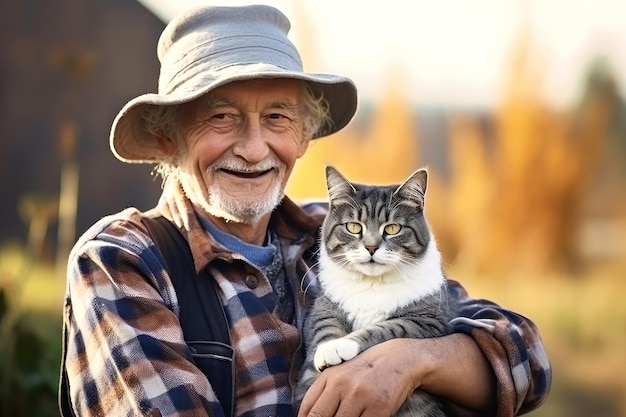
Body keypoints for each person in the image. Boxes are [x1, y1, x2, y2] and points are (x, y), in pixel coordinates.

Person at [59, 4, 551, 417]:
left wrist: (411, 359)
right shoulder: (122, 261)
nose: (254, 149)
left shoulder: (334, 233)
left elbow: (527, 358)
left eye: (276, 117)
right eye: (221, 117)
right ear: (169, 136)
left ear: (304, 135)